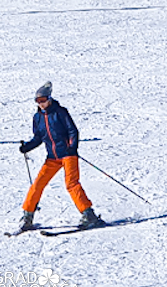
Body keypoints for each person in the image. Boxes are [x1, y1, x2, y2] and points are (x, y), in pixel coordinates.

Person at [16, 82, 104, 232]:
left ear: (49, 99)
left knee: (71, 184)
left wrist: (72, 147)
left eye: (43, 100)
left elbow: (72, 131)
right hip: (52, 158)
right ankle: (27, 216)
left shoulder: (60, 112)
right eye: (38, 101)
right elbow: (38, 137)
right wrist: (27, 147)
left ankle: (89, 214)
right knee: (38, 184)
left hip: (68, 155)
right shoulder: (37, 118)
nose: (41, 103)